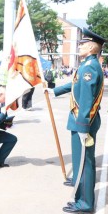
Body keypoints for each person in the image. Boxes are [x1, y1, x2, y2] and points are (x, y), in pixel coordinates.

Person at [46, 28, 106, 213]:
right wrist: (53, 91)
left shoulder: (89, 68)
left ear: (91, 48)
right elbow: (74, 85)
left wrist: (82, 126)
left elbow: (87, 100)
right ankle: (81, 198)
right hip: (81, 121)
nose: (80, 47)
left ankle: (85, 203)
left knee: (85, 163)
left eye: (83, 44)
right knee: (82, 161)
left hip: (83, 122)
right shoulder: (88, 64)